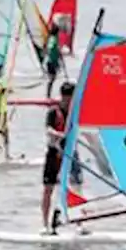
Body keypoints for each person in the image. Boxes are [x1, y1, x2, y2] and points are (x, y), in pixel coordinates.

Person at [42, 82, 75, 233]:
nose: (69, 101)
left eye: (72, 98)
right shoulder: (53, 112)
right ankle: (45, 224)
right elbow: (48, 129)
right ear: (63, 96)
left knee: (75, 188)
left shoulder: (75, 114)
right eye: (68, 98)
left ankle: (78, 223)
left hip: (70, 156)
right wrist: (60, 135)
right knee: (48, 189)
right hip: (54, 154)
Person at [44, 23, 63, 97]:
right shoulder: (53, 38)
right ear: (57, 32)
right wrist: (57, 50)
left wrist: (59, 54)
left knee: (53, 78)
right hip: (51, 62)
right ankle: (48, 95)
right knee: (52, 78)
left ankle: (49, 94)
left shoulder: (54, 38)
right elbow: (50, 47)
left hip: (54, 62)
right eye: (59, 32)